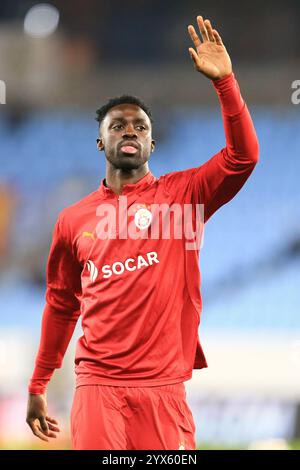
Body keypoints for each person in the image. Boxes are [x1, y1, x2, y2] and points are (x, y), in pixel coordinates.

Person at [26, 15, 259, 450]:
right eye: (117, 125)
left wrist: (226, 83)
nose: (129, 130)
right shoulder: (73, 220)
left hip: (163, 388)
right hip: (98, 385)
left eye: (140, 126)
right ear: (100, 142)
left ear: (153, 144)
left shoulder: (185, 196)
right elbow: (61, 304)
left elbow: (242, 156)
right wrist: (39, 382)